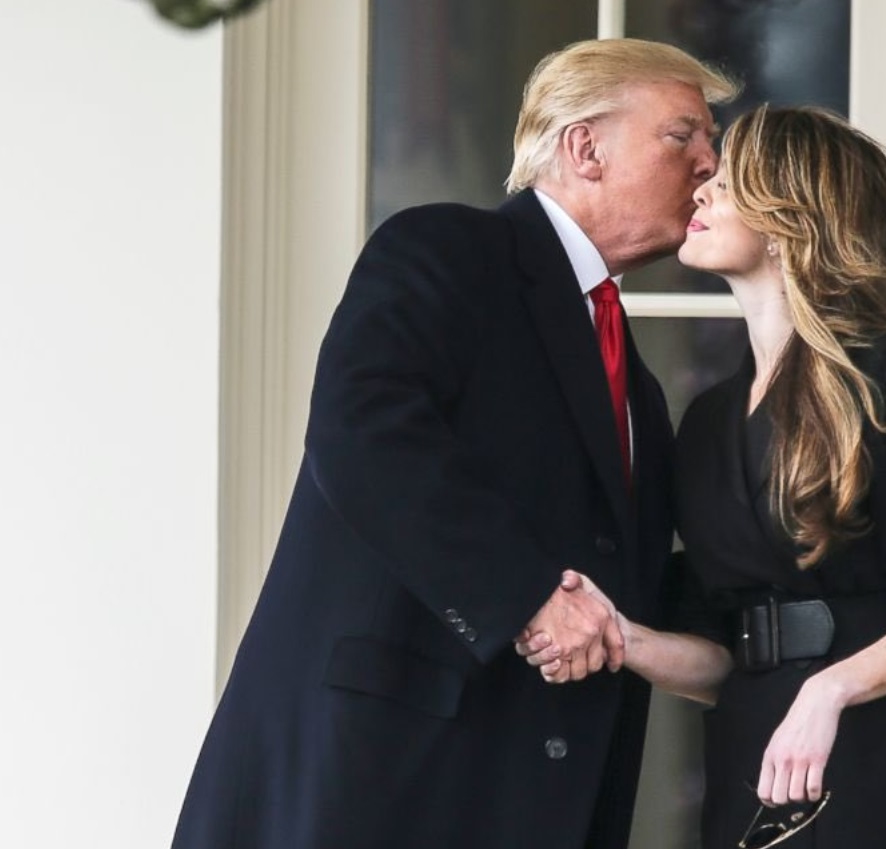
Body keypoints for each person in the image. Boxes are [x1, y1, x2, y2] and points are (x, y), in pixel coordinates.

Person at [171, 39, 737, 849]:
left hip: (529, 800)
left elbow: (625, 581)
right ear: (585, 148)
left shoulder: (637, 390)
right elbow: (363, 431)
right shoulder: (447, 251)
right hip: (377, 782)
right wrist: (528, 594)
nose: (707, 166)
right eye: (682, 136)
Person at [520, 105, 886, 848]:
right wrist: (620, 634)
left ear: (791, 216)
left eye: (728, 181)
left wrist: (827, 690)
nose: (700, 189)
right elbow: (717, 651)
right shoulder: (707, 418)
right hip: (752, 758)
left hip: (884, 762)